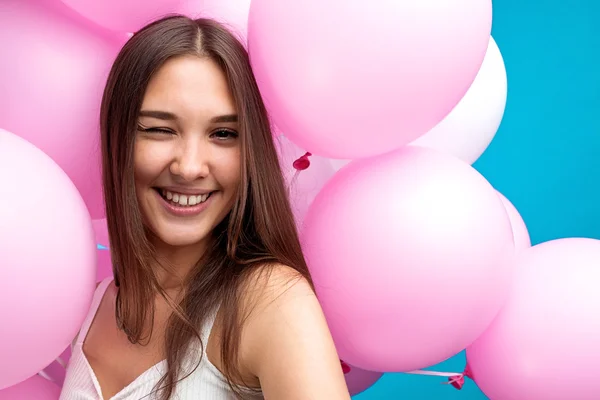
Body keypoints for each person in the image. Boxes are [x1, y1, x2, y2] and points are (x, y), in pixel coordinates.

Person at [60, 15, 350, 400]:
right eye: (159, 129)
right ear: (119, 139)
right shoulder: (92, 304)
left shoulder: (269, 301)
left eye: (223, 134)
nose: (190, 166)